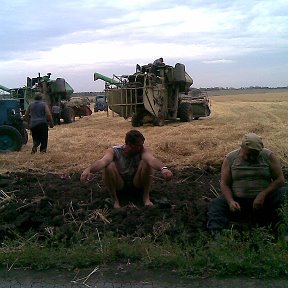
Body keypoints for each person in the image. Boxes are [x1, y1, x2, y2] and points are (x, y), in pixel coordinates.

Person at [207, 133, 287, 232]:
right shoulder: (230, 158)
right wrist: (230, 201)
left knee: (284, 193)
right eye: (248, 154)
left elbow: (280, 180)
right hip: (239, 202)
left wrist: (262, 194)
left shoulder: (268, 156)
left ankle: (283, 231)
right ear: (242, 148)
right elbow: (224, 184)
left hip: (264, 201)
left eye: (256, 155)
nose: (252, 158)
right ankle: (216, 236)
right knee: (216, 205)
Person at [80, 130, 173, 208]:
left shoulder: (143, 150)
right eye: (138, 145)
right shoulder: (114, 151)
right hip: (120, 184)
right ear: (129, 144)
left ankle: (146, 197)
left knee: (146, 163)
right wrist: (89, 169)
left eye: (142, 145)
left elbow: (152, 160)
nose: (141, 147)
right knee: (109, 166)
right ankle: (115, 200)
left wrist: (163, 168)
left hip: (136, 183)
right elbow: (103, 161)